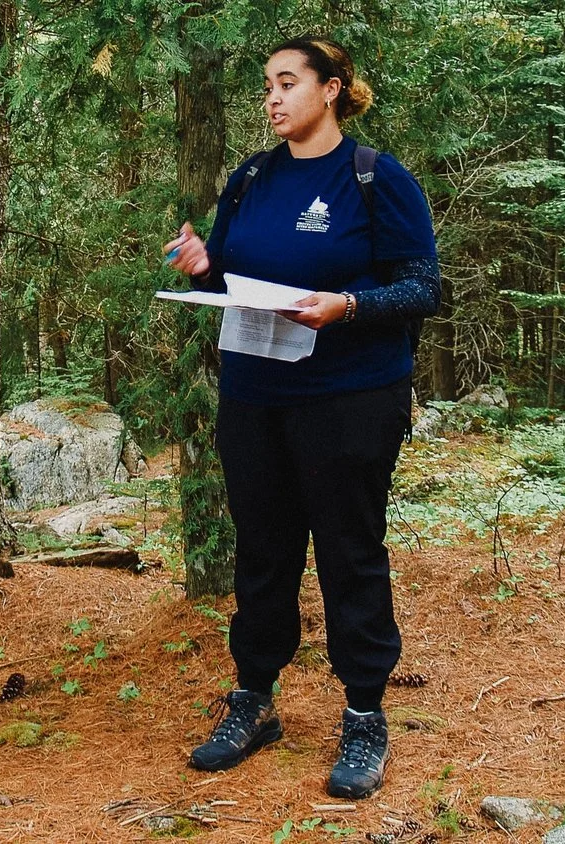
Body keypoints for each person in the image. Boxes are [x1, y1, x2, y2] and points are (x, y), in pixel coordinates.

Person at [163, 36, 440, 799]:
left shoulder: (376, 179)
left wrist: (348, 306)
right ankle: (253, 702)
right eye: (267, 87)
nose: (273, 98)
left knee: (350, 552)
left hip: (350, 400)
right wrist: (201, 265)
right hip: (256, 398)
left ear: (333, 89)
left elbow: (422, 289)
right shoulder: (250, 178)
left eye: (288, 83)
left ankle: (364, 715)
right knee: (264, 551)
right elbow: (230, 271)